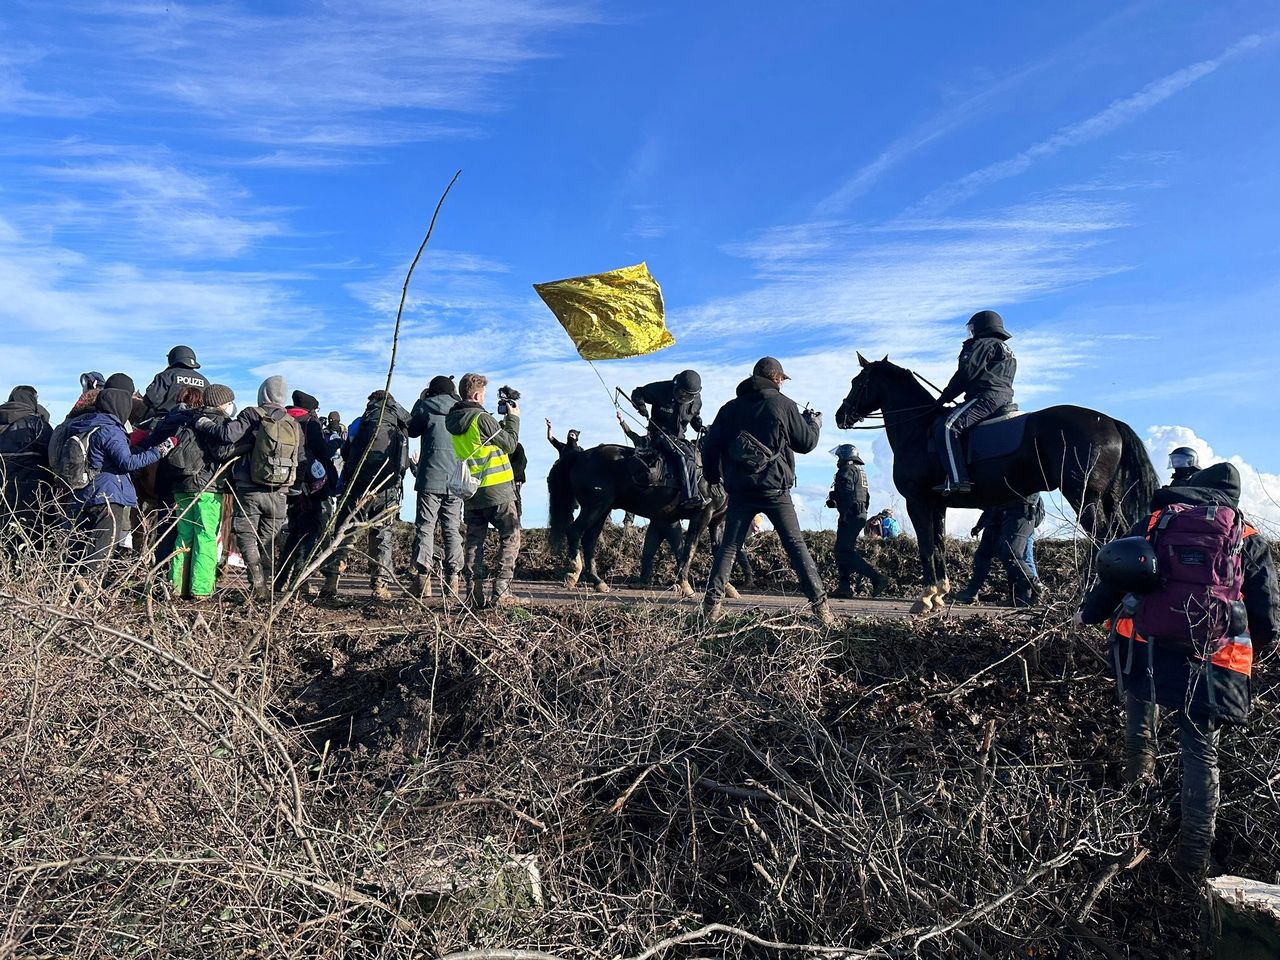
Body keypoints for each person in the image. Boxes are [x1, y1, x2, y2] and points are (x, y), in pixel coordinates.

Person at [1075, 463, 1278, 877]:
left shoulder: (1155, 521)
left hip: (1143, 647)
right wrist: (1260, 647)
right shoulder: (1247, 538)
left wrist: (1090, 613)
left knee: (1140, 719)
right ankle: (1193, 860)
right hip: (1212, 661)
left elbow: (1115, 572)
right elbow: (1267, 615)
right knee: (1201, 754)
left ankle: (1136, 795)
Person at [701, 357, 833, 626]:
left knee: (729, 546)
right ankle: (822, 608)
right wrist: (814, 424)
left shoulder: (729, 409)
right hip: (775, 490)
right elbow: (805, 444)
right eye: (782, 379)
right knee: (795, 545)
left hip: (739, 491)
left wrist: (713, 477)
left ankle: (710, 607)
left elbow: (710, 446)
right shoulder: (782, 404)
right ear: (776, 378)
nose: (783, 383)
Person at [194, 376, 299, 601]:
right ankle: (267, 587)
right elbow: (300, 457)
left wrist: (204, 424)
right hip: (280, 491)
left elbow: (227, 435)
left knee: (247, 536)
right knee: (269, 540)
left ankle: (258, 585)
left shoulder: (252, 413)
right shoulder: (292, 422)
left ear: (262, 394)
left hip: (249, 487)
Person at [63, 388, 178, 581]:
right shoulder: (111, 429)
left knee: (81, 546)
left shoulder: (84, 425)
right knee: (102, 549)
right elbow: (128, 463)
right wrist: (161, 449)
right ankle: (88, 592)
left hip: (83, 492)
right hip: (107, 495)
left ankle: (68, 589)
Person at [323, 390, 411, 600]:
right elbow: (404, 461)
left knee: (344, 532)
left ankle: (331, 580)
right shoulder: (399, 426)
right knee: (382, 536)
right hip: (386, 488)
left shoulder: (359, 422)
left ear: (371, 403)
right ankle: (380, 586)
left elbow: (345, 452)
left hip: (357, 486)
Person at [446, 372, 521, 607]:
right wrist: (513, 419)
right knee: (510, 537)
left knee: (474, 542)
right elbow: (510, 444)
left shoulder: (453, 420)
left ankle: (473, 592)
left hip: (472, 491)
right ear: (477, 395)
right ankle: (502, 590)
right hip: (497, 489)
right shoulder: (481, 418)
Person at [934, 310, 1017, 495]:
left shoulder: (981, 344)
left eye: (972, 329)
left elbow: (965, 374)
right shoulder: (1005, 348)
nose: (970, 333)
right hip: (1003, 397)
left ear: (982, 327)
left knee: (947, 426)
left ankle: (958, 480)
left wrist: (943, 398)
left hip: (985, 398)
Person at [407, 375, 464, 598]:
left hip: (429, 477)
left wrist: (420, 399)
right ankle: (453, 581)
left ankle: (423, 582)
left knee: (425, 527)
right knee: (451, 528)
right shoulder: (460, 410)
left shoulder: (426, 407)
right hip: (455, 479)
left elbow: (411, 429)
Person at [277, 390, 337, 595]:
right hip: (312, 488)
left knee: (294, 533)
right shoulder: (310, 423)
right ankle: (299, 580)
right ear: (311, 408)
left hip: (288, 485)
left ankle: (280, 579)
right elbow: (323, 453)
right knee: (310, 532)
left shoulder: (282, 419)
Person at [631, 370, 705, 508]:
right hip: (659, 434)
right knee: (684, 456)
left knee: (696, 457)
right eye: (680, 392)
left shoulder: (697, 401)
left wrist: (699, 425)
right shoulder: (662, 389)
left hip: (679, 438)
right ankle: (689, 498)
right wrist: (641, 406)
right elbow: (638, 392)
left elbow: (694, 417)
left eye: (686, 394)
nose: (682, 396)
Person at [953, 494, 1042, 606]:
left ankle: (1030, 592)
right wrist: (980, 524)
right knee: (985, 554)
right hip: (1000, 517)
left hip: (1020, 515)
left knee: (1015, 556)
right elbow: (992, 504)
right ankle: (973, 591)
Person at [826, 443, 885, 599]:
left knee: (843, 550)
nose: (837, 460)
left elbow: (845, 493)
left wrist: (842, 510)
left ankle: (876, 578)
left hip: (850, 514)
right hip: (859, 514)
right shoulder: (860, 471)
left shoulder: (846, 470)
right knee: (842, 550)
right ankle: (844, 587)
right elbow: (866, 496)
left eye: (839, 456)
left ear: (845, 456)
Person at [0, 386, 54, 554]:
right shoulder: (36, 424)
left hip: (2, 490)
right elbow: (52, 457)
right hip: (33, 493)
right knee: (32, 538)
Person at [142, 346, 209, 422]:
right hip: (197, 423)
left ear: (172, 358)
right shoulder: (204, 380)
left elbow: (150, 400)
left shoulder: (165, 376)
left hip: (166, 423)